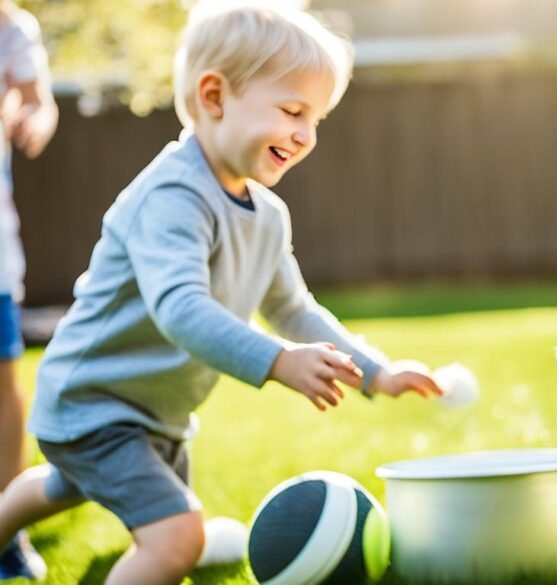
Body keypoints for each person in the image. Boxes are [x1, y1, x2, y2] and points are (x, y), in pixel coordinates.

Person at [0, 1, 441, 581]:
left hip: (154, 412)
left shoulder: (267, 215)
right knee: (177, 537)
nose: (305, 134)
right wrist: (278, 361)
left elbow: (292, 308)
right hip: (94, 403)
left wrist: (376, 372)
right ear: (214, 97)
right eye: (292, 110)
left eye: (316, 119)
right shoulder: (172, 197)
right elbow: (181, 309)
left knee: (62, 486)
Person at [0, 0, 57, 578]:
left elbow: (38, 99)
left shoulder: (12, 29)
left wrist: (34, 117)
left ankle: (6, 530)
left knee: (2, 381)